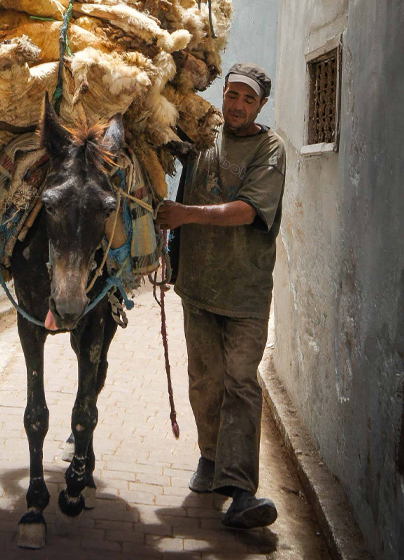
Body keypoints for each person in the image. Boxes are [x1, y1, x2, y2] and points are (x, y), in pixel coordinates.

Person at [156, 63, 285, 530]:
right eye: (232, 95)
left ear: (261, 106)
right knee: (204, 381)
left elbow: (248, 211)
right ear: (223, 93)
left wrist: (185, 214)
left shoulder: (269, 149)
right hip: (198, 286)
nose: (237, 106)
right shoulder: (203, 133)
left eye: (248, 100)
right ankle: (209, 458)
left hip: (246, 292)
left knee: (241, 384)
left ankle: (241, 490)